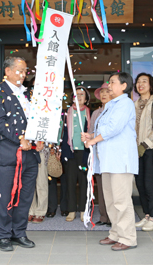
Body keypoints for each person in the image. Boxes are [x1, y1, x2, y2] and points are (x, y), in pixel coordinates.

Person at [0, 56, 44, 252]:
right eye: (18, 69)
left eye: (25, 70)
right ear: (7, 71)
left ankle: (19, 232)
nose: (22, 73)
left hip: (30, 154)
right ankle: (2, 235)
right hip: (7, 153)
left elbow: (36, 120)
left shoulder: (28, 94)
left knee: (25, 196)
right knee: (4, 196)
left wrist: (39, 138)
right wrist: (21, 139)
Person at [82, 72, 138, 251]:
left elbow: (114, 128)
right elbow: (104, 128)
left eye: (112, 82)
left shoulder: (125, 103)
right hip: (107, 160)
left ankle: (128, 238)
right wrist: (90, 135)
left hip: (120, 160)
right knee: (111, 200)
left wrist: (93, 140)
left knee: (121, 200)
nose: (109, 85)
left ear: (123, 86)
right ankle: (116, 233)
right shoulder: (110, 105)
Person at [133, 73, 153, 231]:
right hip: (135, 149)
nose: (140, 84)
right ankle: (146, 215)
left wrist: (144, 145)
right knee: (139, 183)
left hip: (150, 148)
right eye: (138, 82)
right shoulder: (134, 104)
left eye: (144, 81)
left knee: (148, 183)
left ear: (151, 85)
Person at [60, 86, 91, 222]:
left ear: (86, 98)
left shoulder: (90, 113)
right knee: (70, 181)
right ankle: (71, 210)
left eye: (82, 95)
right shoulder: (66, 112)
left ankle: (84, 210)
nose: (79, 97)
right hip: (70, 152)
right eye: (76, 94)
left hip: (84, 152)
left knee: (84, 181)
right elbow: (60, 130)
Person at [89, 83, 112, 226]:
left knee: (113, 187)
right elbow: (92, 131)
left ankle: (113, 218)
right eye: (101, 92)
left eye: (107, 91)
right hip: (98, 153)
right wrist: (88, 137)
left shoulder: (116, 111)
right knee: (102, 186)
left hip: (111, 153)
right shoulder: (96, 113)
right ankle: (104, 217)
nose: (103, 94)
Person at [27, 77, 49, 224]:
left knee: (41, 181)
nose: (35, 91)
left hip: (41, 148)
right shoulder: (25, 105)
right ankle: (30, 210)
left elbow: (51, 127)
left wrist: (42, 141)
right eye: (33, 88)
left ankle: (40, 211)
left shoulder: (48, 106)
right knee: (28, 181)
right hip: (26, 147)